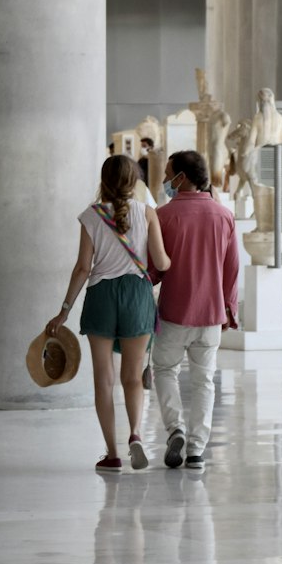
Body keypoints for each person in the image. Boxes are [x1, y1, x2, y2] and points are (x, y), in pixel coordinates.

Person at [48, 155, 170, 473]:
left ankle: (112, 453)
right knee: (132, 377)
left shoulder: (91, 216)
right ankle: (136, 434)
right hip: (137, 295)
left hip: (101, 296)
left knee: (104, 380)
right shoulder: (147, 213)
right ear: (134, 182)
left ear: (104, 180)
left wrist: (63, 310)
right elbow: (162, 261)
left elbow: (82, 268)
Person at [151, 149, 239, 472]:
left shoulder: (163, 216)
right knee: (204, 381)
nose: (164, 182)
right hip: (211, 315)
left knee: (164, 370)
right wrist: (230, 309)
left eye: (168, 175)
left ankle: (175, 428)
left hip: (174, 312)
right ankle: (197, 450)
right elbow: (232, 270)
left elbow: (154, 269)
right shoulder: (224, 216)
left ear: (181, 178)